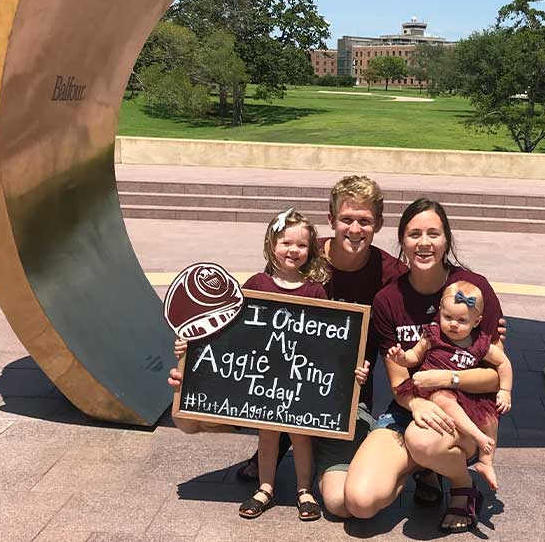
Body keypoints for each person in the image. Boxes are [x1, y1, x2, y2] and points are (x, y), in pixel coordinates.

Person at [171, 209, 368, 521]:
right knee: (268, 436)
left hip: (300, 379)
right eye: (286, 242)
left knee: (302, 435)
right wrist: (192, 346)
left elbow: (329, 339)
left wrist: (350, 368)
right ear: (271, 244)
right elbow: (228, 332)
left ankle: (304, 489)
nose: (293, 250)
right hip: (263, 380)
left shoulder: (315, 290)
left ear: (311, 249)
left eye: (302, 245)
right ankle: (265, 487)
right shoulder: (257, 284)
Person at [344, 198, 506, 533]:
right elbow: (399, 379)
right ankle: (424, 468)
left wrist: (448, 378)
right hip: (408, 409)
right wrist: (416, 403)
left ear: (447, 239)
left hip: (465, 411)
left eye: (434, 233)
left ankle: (462, 485)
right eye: (414, 234)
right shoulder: (388, 300)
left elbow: (494, 375)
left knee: (424, 441)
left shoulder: (474, 290)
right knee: (359, 502)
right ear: (402, 241)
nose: (424, 242)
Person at [386, 280, 513, 491]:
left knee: (490, 416)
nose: (453, 324)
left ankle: (486, 461)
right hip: (432, 391)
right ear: (440, 313)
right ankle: (476, 436)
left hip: (463, 393)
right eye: (448, 317)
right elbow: (414, 356)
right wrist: (400, 357)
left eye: (462, 320)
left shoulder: (479, 343)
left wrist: (505, 391)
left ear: (476, 321)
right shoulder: (433, 335)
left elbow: (503, 363)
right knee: (443, 399)